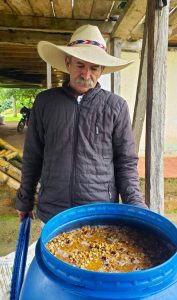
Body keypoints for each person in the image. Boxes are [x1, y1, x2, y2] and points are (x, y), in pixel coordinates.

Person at [16, 24, 147, 223]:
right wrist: (24, 201)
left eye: (94, 68)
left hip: (100, 213)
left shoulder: (116, 106)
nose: (86, 75)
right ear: (68, 63)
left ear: (102, 70)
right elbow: (33, 156)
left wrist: (135, 203)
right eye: (80, 65)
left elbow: (126, 162)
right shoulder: (45, 102)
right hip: (53, 213)